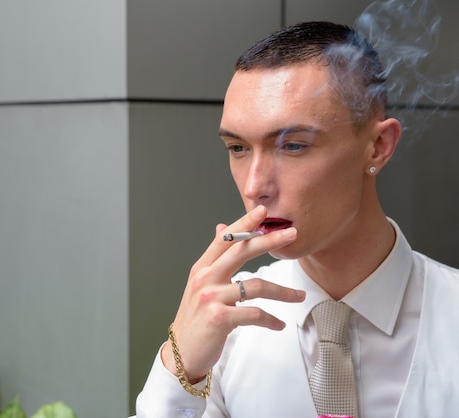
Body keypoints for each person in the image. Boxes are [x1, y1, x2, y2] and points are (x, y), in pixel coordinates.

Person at [136, 21, 459, 418]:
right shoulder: (223, 329)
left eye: (293, 145)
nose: (255, 186)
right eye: (237, 147)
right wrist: (179, 366)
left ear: (377, 147)